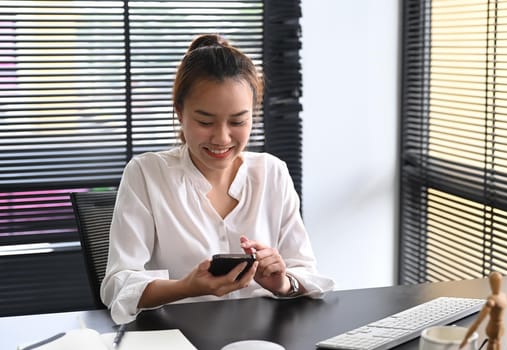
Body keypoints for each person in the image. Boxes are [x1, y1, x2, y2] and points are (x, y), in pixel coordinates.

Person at [100, 33, 335, 324]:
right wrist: (187, 287)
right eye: (205, 122)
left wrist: (283, 282)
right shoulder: (147, 175)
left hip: (263, 340)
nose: (222, 138)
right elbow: (118, 285)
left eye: (238, 121)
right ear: (179, 112)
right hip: (178, 339)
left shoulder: (272, 172)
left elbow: (306, 273)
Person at [460, 271, 507, 350]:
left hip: (501, 327)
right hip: (492, 328)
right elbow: (478, 321)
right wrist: (466, 338)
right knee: (492, 343)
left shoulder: (503, 296)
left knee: (498, 343)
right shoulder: (491, 301)